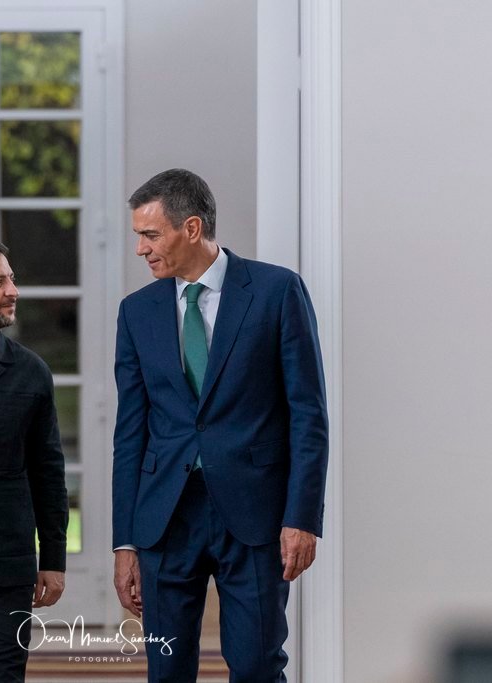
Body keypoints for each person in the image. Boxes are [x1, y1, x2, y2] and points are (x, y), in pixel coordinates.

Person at [112, 169, 328, 681]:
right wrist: (125, 542)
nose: (141, 249)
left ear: (191, 228)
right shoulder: (136, 312)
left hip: (255, 516)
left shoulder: (277, 291)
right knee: (166, 672)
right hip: (165, 519)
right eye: (138, 236)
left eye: (150, 235)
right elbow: (130, 433)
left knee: (256, 667)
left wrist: (302, 517)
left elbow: (308, 415)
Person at [0, 238, 69, 682]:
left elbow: (48, 473)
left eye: (11, 279)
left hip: (5, 570)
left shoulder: (31, 372)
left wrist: (53, 557)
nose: (13, 291)